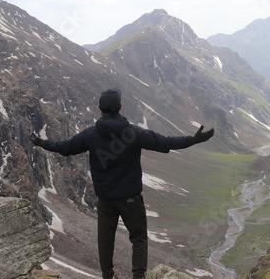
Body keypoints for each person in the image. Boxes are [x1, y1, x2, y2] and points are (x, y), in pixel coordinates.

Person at [30, 88, 214, 279]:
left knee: (105, 240)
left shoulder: (90, 135)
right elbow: (165, 142)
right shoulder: (133, 133)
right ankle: (139, 276)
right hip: (130, 198)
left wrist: (42, 142)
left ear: (100, 108)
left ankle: (108, 276)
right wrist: (194, 139)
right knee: (139, 238)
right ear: (120, 107)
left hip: (106, 199)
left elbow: (65, 148)